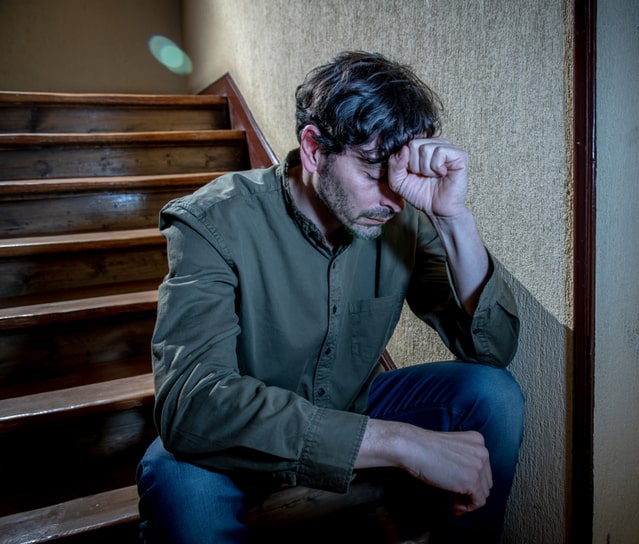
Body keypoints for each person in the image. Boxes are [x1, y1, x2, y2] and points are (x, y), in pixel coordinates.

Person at [136, 51, 524, 544]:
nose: (392, 199)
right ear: (315, 149)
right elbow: (192, 405)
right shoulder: (212, 221)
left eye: (399, 176)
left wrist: (453, 220)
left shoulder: (399, 215)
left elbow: (492, 350)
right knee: (182, 493)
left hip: (350, 407)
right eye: (372, 172)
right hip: (231, 435)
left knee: (493, 395)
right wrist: (401, 442)